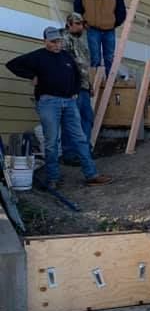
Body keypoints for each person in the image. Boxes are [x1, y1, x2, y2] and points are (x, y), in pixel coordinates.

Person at [6, 26, 112, 190]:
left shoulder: (66, 57)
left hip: (69, 102)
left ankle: (92, 175)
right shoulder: (38, 56)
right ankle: (53, 179)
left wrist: (75, 92)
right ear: (45, 41)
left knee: (80, 139)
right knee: (52, 142)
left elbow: (77, 75)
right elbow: (12, 64)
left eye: (59, 41)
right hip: (49, 102)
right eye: (53, 42)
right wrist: (32, 76)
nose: (57, 45)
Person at [74, 0, 126, 71]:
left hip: (109, 29)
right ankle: (95, 84)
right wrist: (83, 23)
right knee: (95, 58)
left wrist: (115, 22)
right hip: (92, 28)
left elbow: (120, 7)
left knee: (109, 58)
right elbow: (77, 7)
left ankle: (108, 82)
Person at [61, 11, 95, 163]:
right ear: (69, 24)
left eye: (82, 23)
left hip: (84, 86)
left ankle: (84, 151)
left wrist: (90, 84)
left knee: (87, 119)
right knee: (72, 121)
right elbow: (66, 65)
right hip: (72, 88)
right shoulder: (63, 40)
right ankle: (71, 154)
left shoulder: (80, 42)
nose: (81, 27)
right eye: (78, 23)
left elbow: (85, 67)